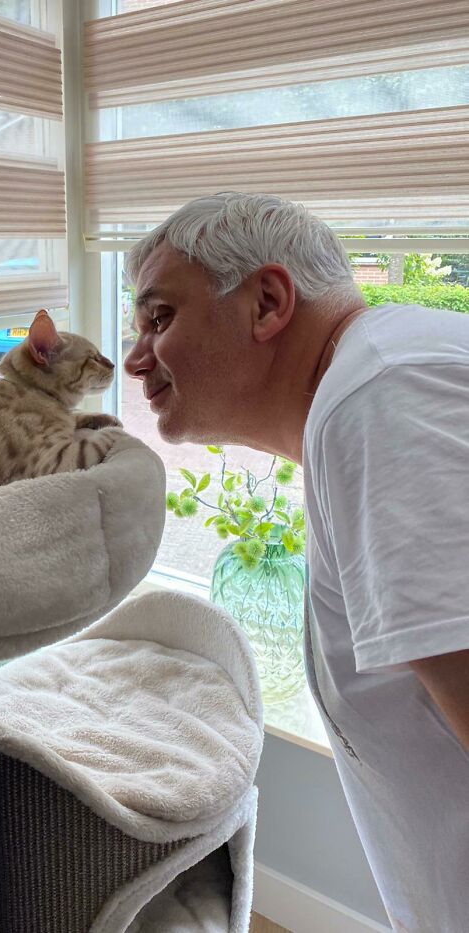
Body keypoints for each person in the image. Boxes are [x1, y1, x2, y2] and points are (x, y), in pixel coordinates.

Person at [123, 192, 469, 933]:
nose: (134, 358)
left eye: (160, 318)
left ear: (268, 302)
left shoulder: (381, 398)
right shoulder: (381, 377)